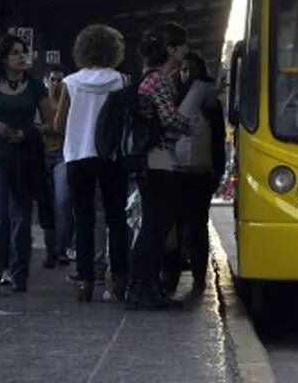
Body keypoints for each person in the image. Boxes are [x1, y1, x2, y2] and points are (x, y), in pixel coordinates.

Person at [0, 34, 53, 293]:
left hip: (25, 155)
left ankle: (19, 273)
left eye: (24, 52)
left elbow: (50, 123)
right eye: (16, 52)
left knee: (21, 215)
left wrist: (29, 131)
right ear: (4, 57)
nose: (21, 57)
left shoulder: (36, 86)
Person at [55, 25, 129, 302]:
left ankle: (85, 281)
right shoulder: (122, 81)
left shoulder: (71, 83)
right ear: (114, 50)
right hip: (112, 156)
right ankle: (120, 279)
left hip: (78, 155)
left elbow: (59, 123)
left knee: (84, 219)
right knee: (116, 218)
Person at [127, 22, 192, 310]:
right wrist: (190, 125)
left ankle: (144, 287)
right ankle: (143, 289)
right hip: (157, 160)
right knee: (156, 225)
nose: (186, 51)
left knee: (154, 225)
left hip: (151, 159)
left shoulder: (147, 78)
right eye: (182, 46)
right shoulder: (159, 81)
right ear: (171, 50)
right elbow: (168, 119)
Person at [164, 51, 226, 293]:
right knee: (179, 225)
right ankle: (176, 274)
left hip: (198, 172)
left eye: (190, 70)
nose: (185, 74)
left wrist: (217, 170)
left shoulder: (208, 103)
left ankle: (196, 276)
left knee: (195, 225)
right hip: (178, 171)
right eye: (183, 70)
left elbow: (218, 139)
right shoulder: (173, 97)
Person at [42, 64, 73, 269]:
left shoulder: (69, 102)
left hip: (62, 155)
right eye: (52, 79)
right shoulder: (41, 102)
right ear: (46, 81)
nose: (56, 83)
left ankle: (61, 249)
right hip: (43, 156)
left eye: (59, 79)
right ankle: (50, 250)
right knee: (47, 204)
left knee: (62, 202)